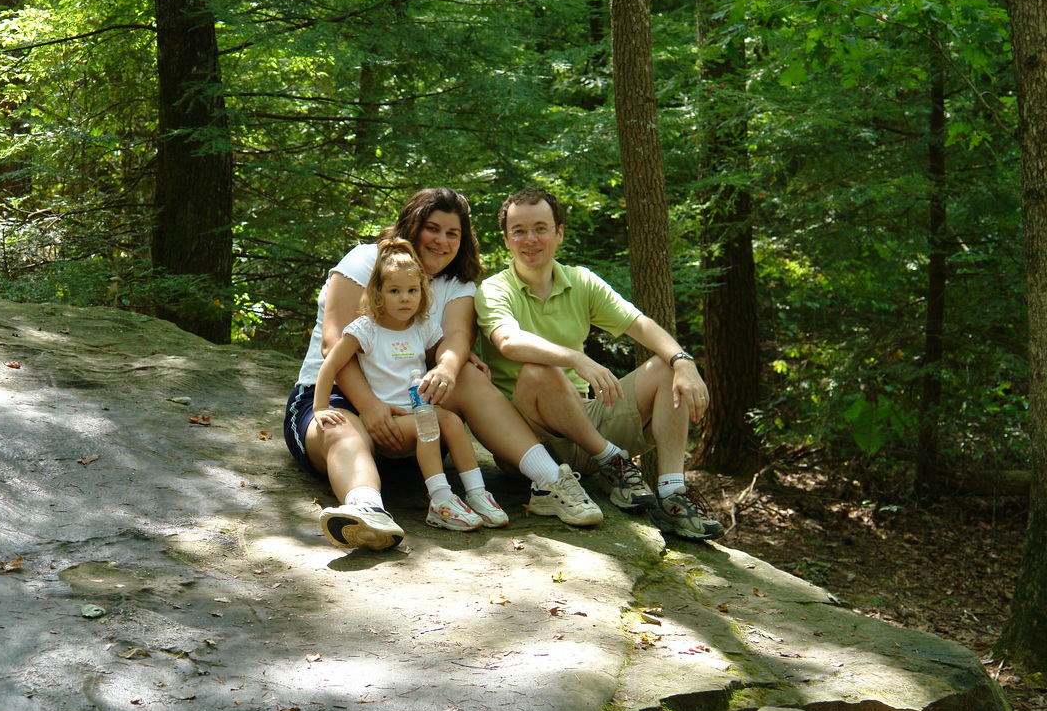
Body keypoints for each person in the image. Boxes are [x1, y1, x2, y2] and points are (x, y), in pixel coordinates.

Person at [284, 187, 602, 553]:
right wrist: (369, 406)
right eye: (432, 228)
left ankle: (550, 481)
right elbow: (333, 344)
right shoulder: (365, 260)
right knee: (345, 433)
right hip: (337, 398)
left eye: (453, 233)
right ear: (411, 225)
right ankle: (366, 511)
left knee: (466, 372)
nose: (442, 240)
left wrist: (450, 367)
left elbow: (454, 338)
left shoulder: (458, 283)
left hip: (412, 419)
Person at [474, 187, 725, 540]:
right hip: (529, 440)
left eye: (541, 228)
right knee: (539, 368)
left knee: (667, 367)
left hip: (584, 421)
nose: (530, 239)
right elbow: (509, 342)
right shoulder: (494, 289)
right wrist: (575, 358)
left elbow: (641, 325)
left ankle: (672, 495)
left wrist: (683, 361)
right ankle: (612, 461)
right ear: (506, 240)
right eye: (519, 231)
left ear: (559, 233)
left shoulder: (581, 281)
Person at [312, 239, 508, 537]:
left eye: (412, 291)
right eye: (395, 291)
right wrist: (320, 407)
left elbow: (444, 346)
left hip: (415, 413)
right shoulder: (366, 328)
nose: (405, 299)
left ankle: (477, 493)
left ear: (422, 292)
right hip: (386, 422)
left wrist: (467, 355)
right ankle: (440, 500)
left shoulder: (422, 326)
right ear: (378, 293)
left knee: (452, 421)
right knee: (429, 422)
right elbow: (331, 364)